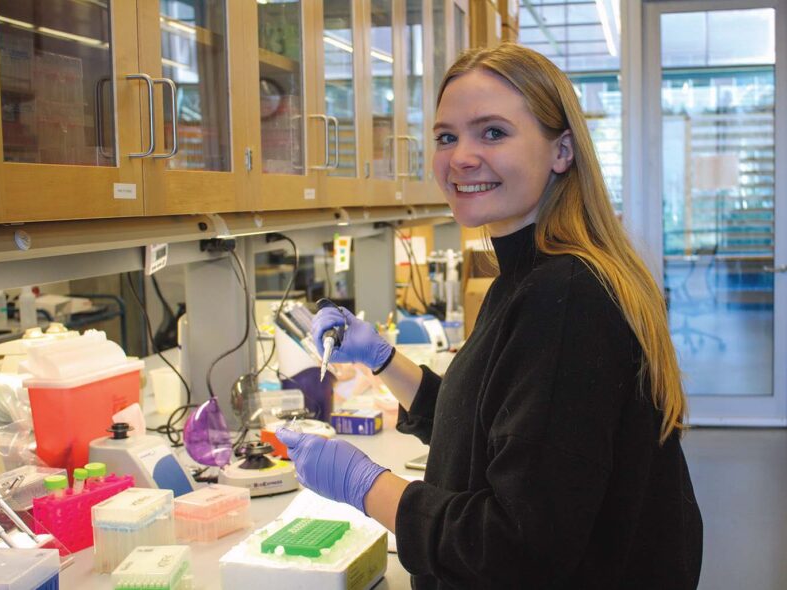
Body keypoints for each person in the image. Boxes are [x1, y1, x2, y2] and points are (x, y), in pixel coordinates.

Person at [276, 42, 703, 589]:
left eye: (493, 132)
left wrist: (363, 483)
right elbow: (493, 431)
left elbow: (516, 546)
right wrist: (383, 361)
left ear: (562, 151)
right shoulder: (532, 274)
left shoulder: (564, 296)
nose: (460, 158)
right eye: (447, 137)